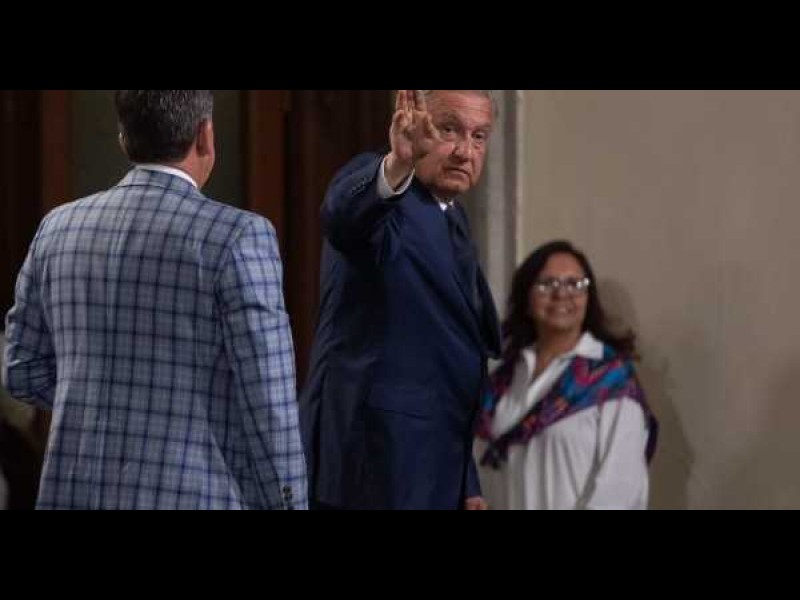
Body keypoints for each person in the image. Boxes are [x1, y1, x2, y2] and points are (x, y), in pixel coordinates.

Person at [3, 90, 306, 510]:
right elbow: (268, 404)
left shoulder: (57, 229)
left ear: (123, 137)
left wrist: (102, 397)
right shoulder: (238, 237)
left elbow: (21, 371)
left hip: (72, 493)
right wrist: (289, 502)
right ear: (205, 136)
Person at [300, 90, 502, 510]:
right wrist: (397, 165)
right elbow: (341, 215)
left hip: (431, 470)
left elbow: (446, 366)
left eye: (479, 136)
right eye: (449, 129)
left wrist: (465, 480)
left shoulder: (452, 214)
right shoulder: (386, 191)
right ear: (413, 119)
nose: (465, 152)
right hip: (372, 470)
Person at [476, 241, 658, 510]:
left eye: (575, 284)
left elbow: (620, 489)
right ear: (526, 299)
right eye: (547, 283)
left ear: (588, 298)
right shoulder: (503, 381)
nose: (562, 293)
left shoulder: (612, 380)